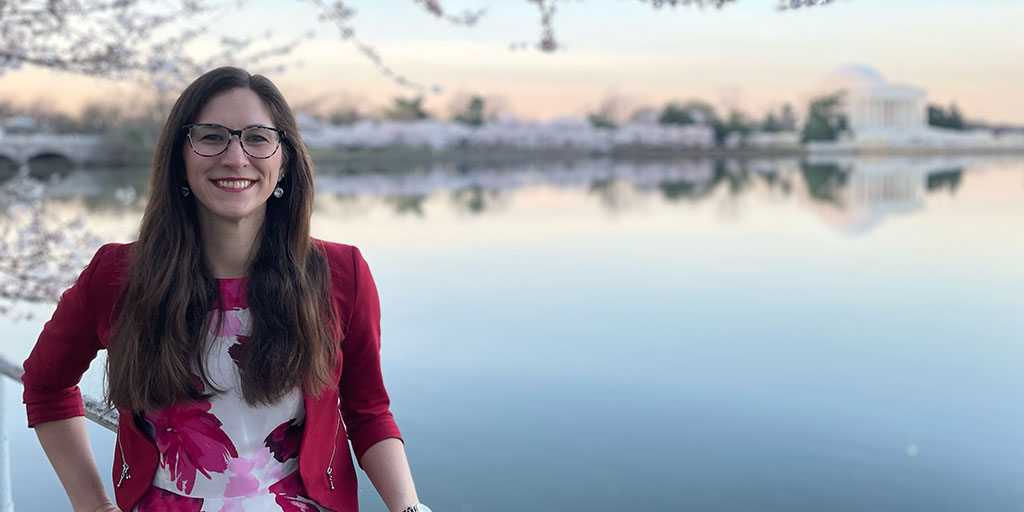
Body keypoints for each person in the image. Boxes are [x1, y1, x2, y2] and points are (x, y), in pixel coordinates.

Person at [21, 67, 431, 512]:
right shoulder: (119, 275)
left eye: (257, 137)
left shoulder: (340, 273)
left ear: (285, 159)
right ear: (180, 155)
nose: (236, 158)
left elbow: (368, 413)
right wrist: (93, 505)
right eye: (212, 136)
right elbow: (46, 385)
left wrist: (409, 507)